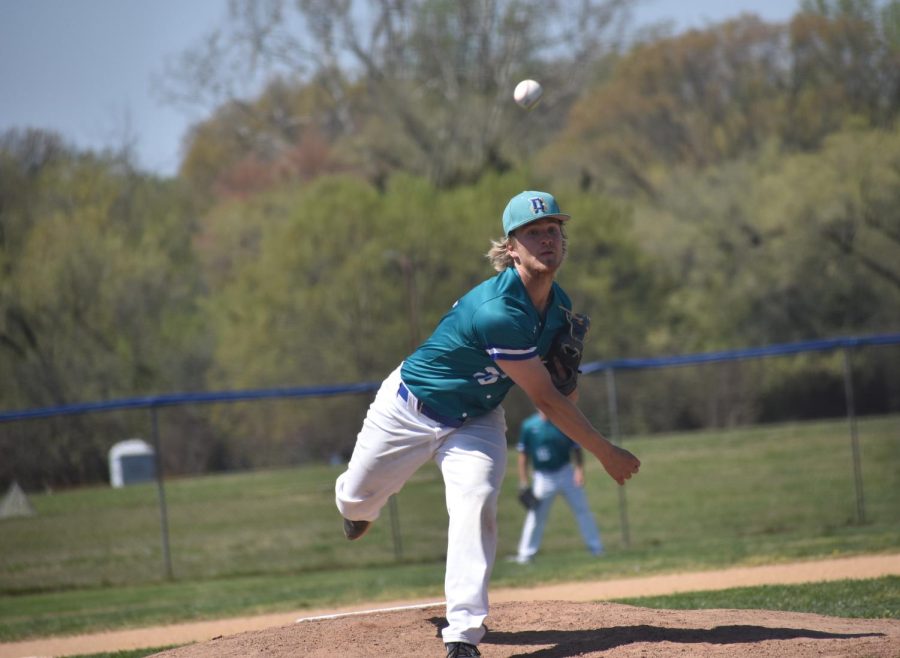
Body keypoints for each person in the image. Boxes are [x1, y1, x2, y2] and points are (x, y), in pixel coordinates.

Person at [335, 190, 640, 658]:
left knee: (476, 500)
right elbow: (544, 400)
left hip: (475, 418)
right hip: (409, 409)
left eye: (553, 231)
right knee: (355, 499)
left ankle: (462, 633)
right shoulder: (497, 311)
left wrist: (568, 374)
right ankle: (357, 511)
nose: (546, 239)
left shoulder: (559, 306)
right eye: (532, 233)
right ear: (510, 247)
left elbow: (561, 395)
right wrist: (605, 452)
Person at [512, 407, 604, 565]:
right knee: (535, 516)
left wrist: (579, 470)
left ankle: (596, 549)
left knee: (583, 511)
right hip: (543, 477)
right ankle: (525, 555)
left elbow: (576, 449)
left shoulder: (564, 423)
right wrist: (523, 481)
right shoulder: (529, 425)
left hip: (566, 473)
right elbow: (523, 455)